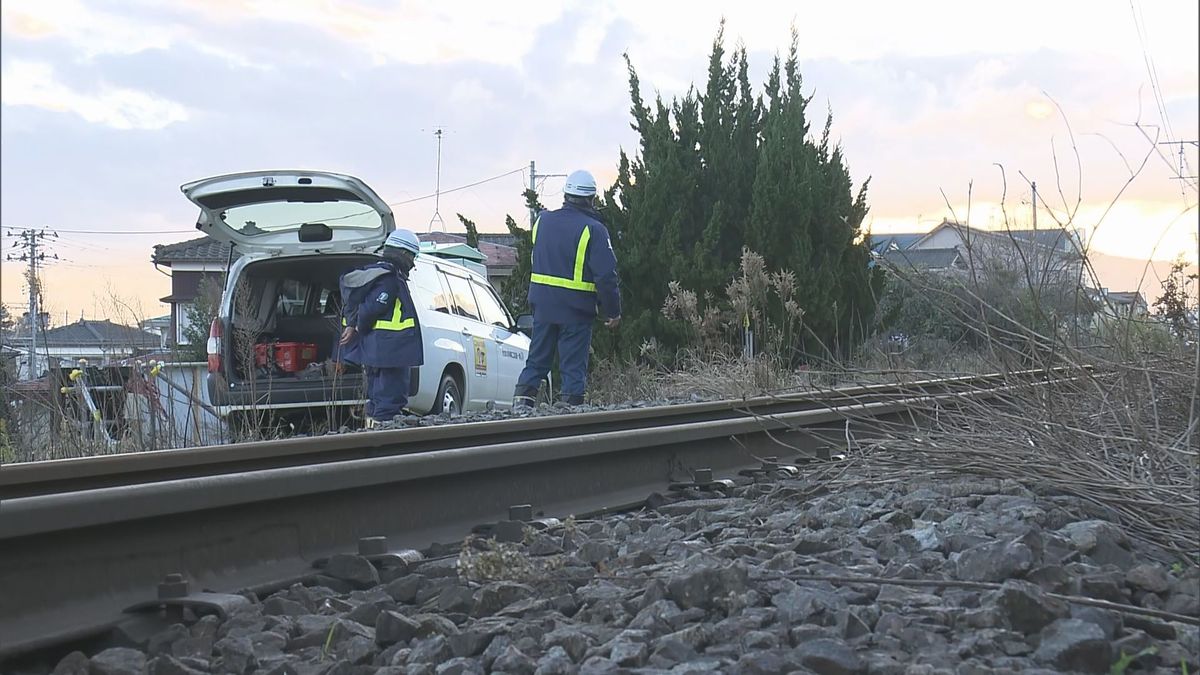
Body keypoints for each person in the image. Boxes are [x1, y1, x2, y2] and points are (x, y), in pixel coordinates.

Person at [512, 169, 620, 408]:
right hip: (576, 309)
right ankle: (570, 412)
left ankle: (521, 405)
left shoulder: (542, 222)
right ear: (592, 199)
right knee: (572, 367)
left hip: (543, 306)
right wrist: (613, 312)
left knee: (537, 360)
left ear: (566, 194)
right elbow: (606, 276)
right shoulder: (594, 229)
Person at [337, 228, 424, 427]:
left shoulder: (375, 274)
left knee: (376, 400)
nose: (413, 262)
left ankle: (373, 437)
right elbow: (373, 307)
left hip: (377, 350)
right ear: (404, 253)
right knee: (389, 402)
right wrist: (359, 326)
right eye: (412, 256)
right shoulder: (390, 278)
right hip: (392, 352)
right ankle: (386, 443)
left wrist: (354, 326)